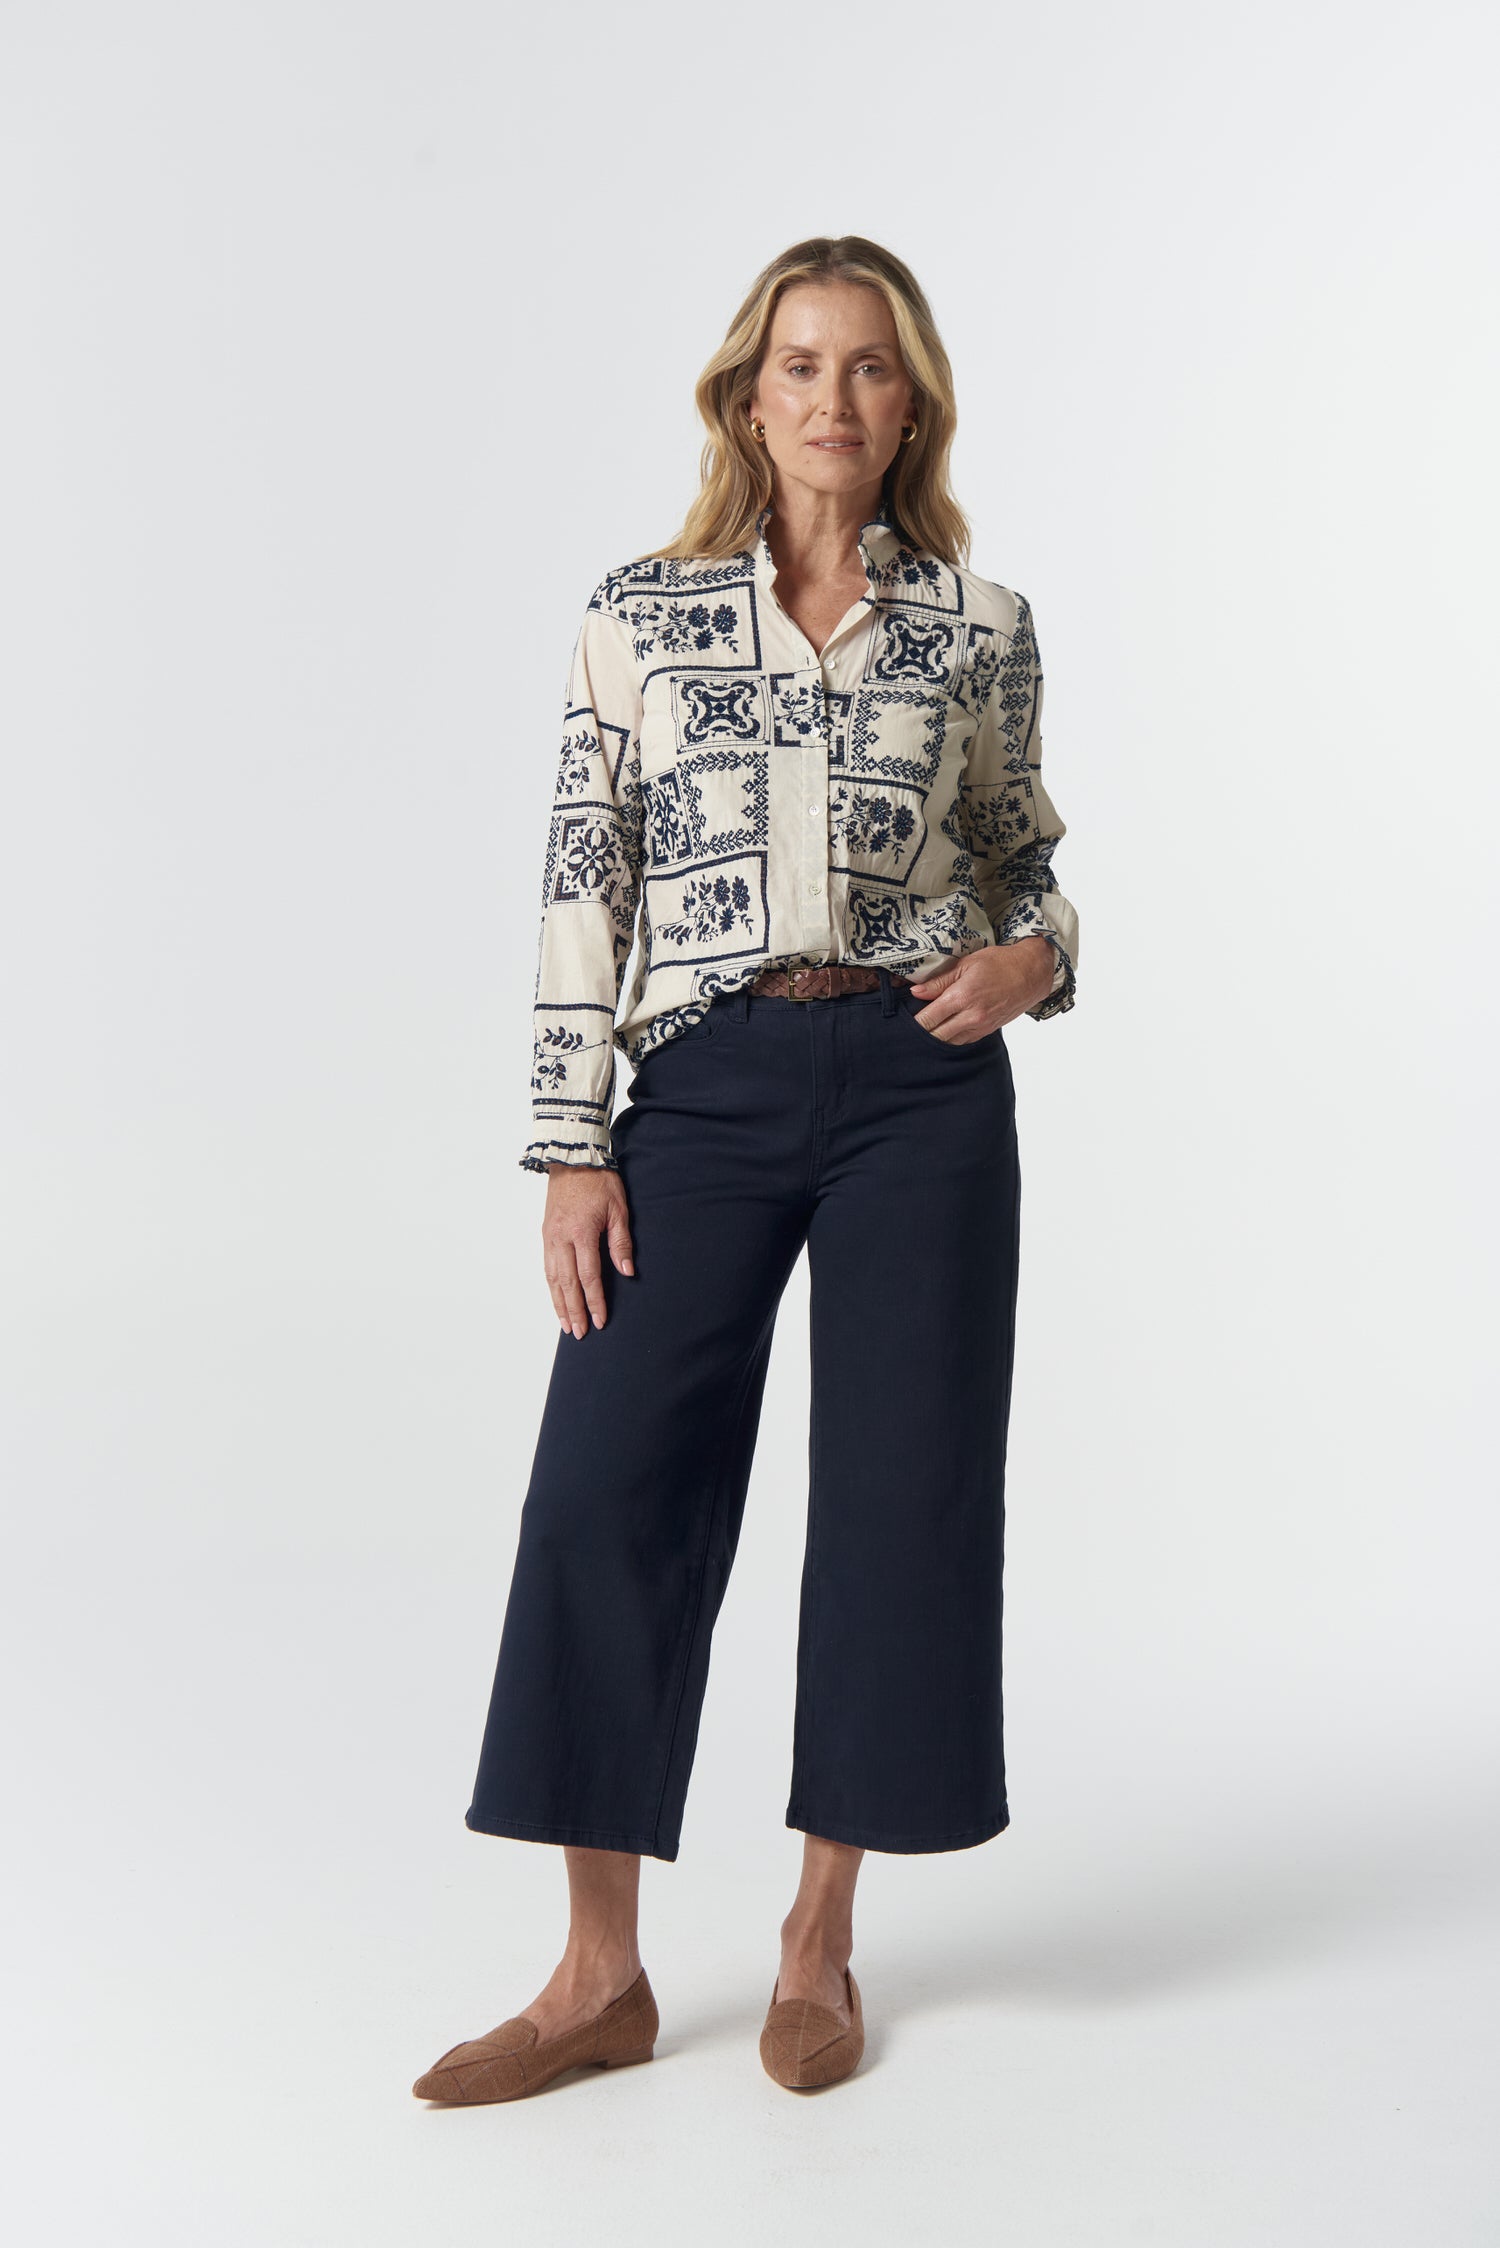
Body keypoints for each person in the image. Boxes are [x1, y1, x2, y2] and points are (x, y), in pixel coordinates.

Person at [413, 233, 1079, 2104]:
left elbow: (1027, 860)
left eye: (868, 366)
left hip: (920, 1091)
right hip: (701, 1086)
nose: (833, 398)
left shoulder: (979, 625)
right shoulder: (642, 615)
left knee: (896, 1502)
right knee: (605, 1487)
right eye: (801, 364)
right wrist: (572, 1144)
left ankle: (817, 1941)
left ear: (911, 401)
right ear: (747, 393)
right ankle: (596, 1978)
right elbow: (586, 881)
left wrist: (1035, 960)